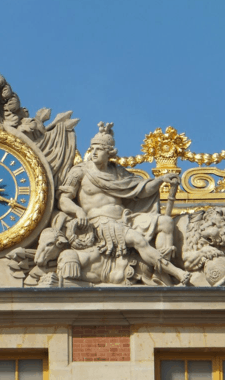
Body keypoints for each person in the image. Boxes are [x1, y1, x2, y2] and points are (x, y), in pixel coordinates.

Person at [57, 122, 190, 285]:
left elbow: (141, 189)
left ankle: (159, 272)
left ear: (109, 152)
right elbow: (64, 199)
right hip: (100, 223)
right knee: (138, 240)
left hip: (125, 219)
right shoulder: (80, 171)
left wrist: (161, 180)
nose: (94, 152)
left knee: (166, 222)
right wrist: (79, 212)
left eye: (99, 149)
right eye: (92, 149)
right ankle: (175, 272)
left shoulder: (117, 172)